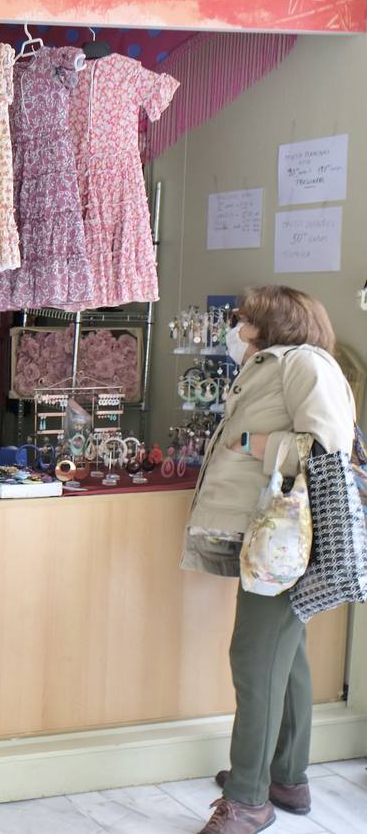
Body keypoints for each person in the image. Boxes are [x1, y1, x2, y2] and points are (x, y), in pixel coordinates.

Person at [183, 286, 356, 834]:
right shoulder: (270, 365)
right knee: (286, 653)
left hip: (286, 537)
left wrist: (259, 444)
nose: (236, 323)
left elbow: (331, 444)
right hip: (266, 534)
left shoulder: (305, 364)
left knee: (254, 660)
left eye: (245, 316)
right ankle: (287, 777)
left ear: (273, 321)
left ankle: (248, 799)